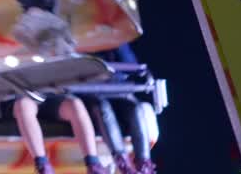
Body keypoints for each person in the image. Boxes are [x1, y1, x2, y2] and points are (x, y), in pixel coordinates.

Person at [86, 45, 157, 174]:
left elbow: (131, 65)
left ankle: (144, 163)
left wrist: (117, 44)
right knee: (103, 109)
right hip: (91, 91)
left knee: (136, 109)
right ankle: (122, 161)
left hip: (118, 90)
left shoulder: (113, 42)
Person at [13, 93, 109, 174]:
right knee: (23, 105)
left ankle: (94, 165)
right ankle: (43, 167)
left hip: (53, 96)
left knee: (75, 104)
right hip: (21, 95)